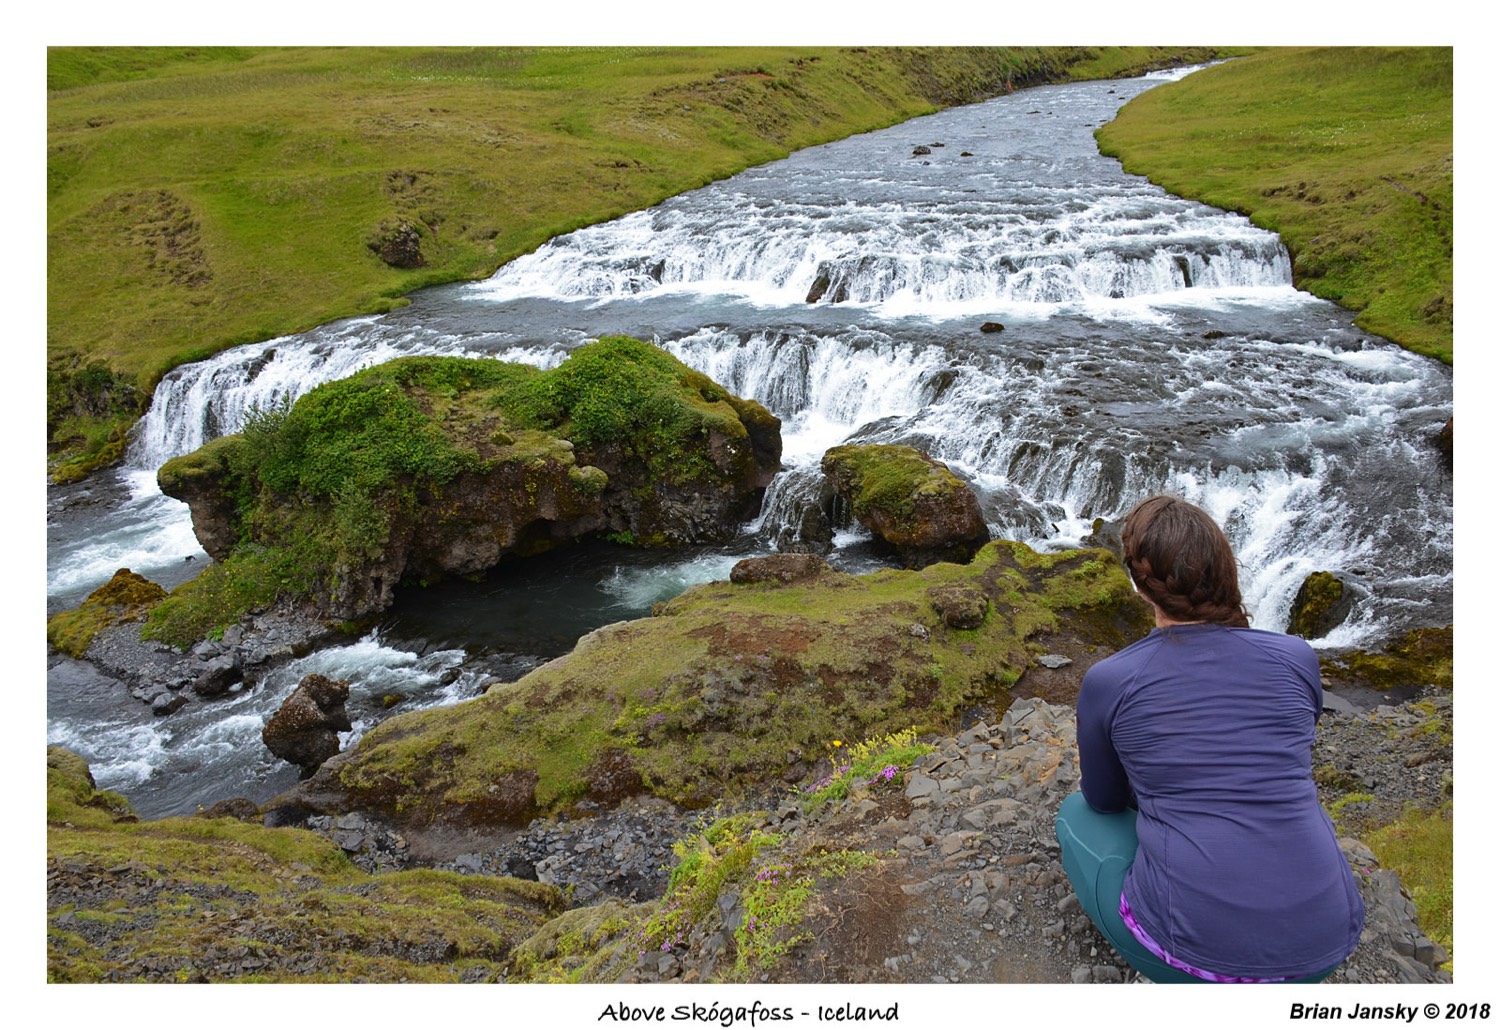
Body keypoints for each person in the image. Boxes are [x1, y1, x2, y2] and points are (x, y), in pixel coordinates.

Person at [1054, 495, 1364, 983]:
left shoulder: (1111, 680)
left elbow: (1105, 800)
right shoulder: (1297, 657)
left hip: (1194, 958)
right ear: (1224, 568)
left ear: (1141, 586)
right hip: (1327, 942)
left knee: (1074, 815)